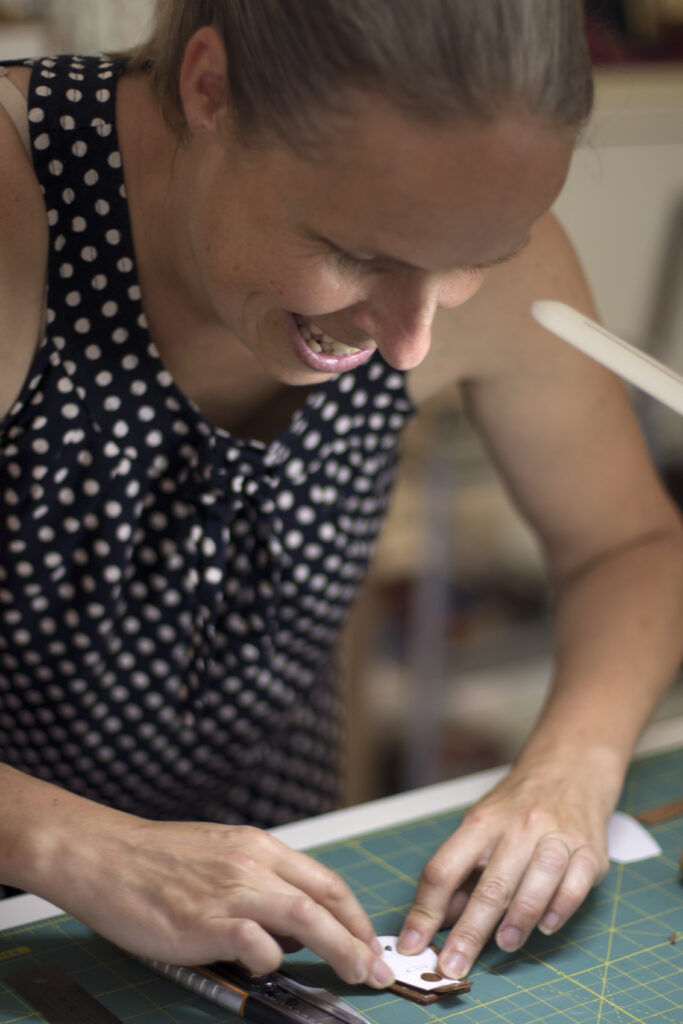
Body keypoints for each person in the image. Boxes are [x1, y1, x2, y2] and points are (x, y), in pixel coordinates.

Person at [1, 0, 682, 991]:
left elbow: (625, 544)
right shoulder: (15, 213)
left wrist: (571, 765)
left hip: (282, 875)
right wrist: (65, 845)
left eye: (468, 263)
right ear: (209, 89)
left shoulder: (478, 247)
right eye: (359, 253)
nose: (408, 341)